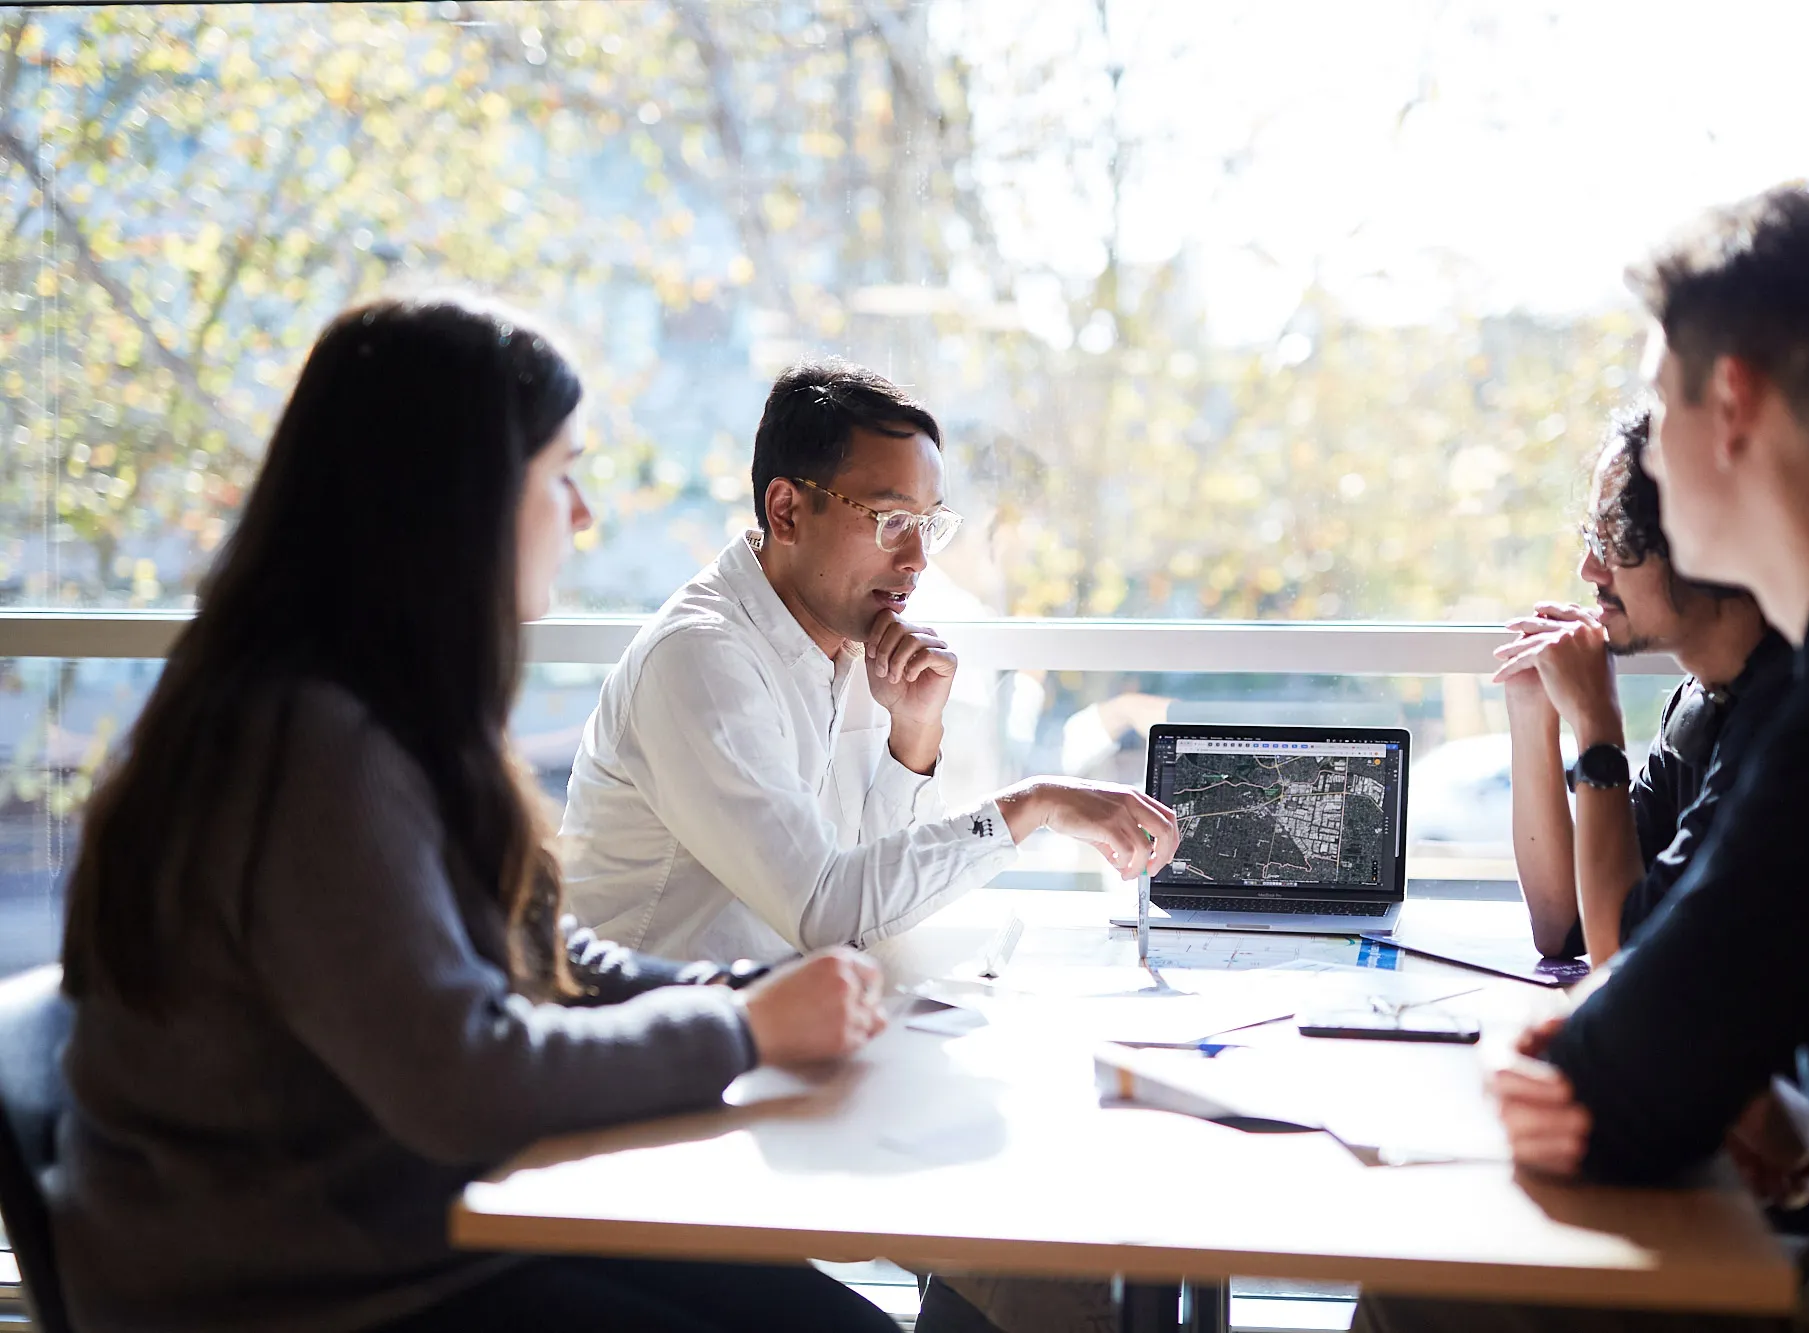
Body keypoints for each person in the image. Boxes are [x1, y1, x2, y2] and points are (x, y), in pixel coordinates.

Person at [51, 297, 899, 1333]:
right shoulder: (306, 747)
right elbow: (461, 1079)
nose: (581, 514)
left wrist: (743, 987)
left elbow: (537, 948)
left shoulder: (377, 707)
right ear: (458, 498)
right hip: (297, 1295)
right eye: (560, 473)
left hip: (403, 1239)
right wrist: (739, 1026)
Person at [1367, 184, 1809, 1331]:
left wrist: (1566, 1047)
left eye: (1657, 411)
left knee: (1426, 1290)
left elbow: (1613, 1087)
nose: (1647, 455)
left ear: (1731, 403)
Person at [559, 359, 1178, 965]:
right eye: (891, 520)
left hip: (782, 1021)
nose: (917, 558)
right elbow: (824, 912)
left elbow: (878, 900)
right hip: (659, 1041)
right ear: (787, 511)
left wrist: (911, 737)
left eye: (928, 524)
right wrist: (1035, 804)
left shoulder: (850, 633)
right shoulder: (700, 658)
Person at [1497, 407, 1791, 967]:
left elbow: (1619, 950)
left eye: (1616, 540)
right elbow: (1568, 925)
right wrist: (1534, 711)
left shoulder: (1781, 716)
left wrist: (1597, 725)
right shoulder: (1701, 702)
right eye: (1591, 537)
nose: (1589, 569)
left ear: (1700, 540)